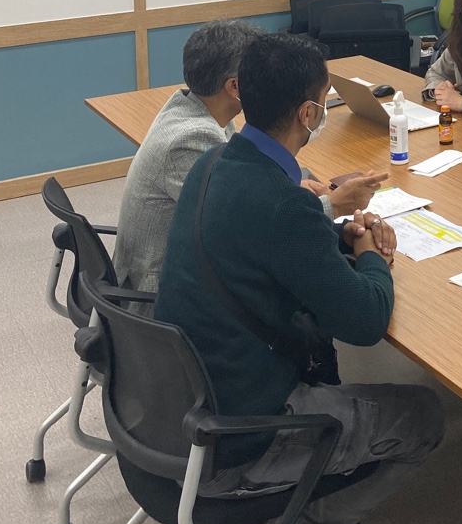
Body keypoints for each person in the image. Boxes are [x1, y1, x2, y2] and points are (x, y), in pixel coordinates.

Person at [153, 34, 444, 524]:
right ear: (310, 112)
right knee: (425, 416)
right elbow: (364, 322)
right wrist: (370, 257)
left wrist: (334, 239)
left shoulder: (214, 161)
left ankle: (311, 513)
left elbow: (270, 244)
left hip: (180, 399)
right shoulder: (285, 203)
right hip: (238, 434)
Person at [112, 19, 385, 314]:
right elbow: (244, 222)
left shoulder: (200, 109)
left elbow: (244, 196)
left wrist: (293, 191)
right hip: (163, 297)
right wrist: (332, 205)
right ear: (235, 86)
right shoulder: (193, 139)